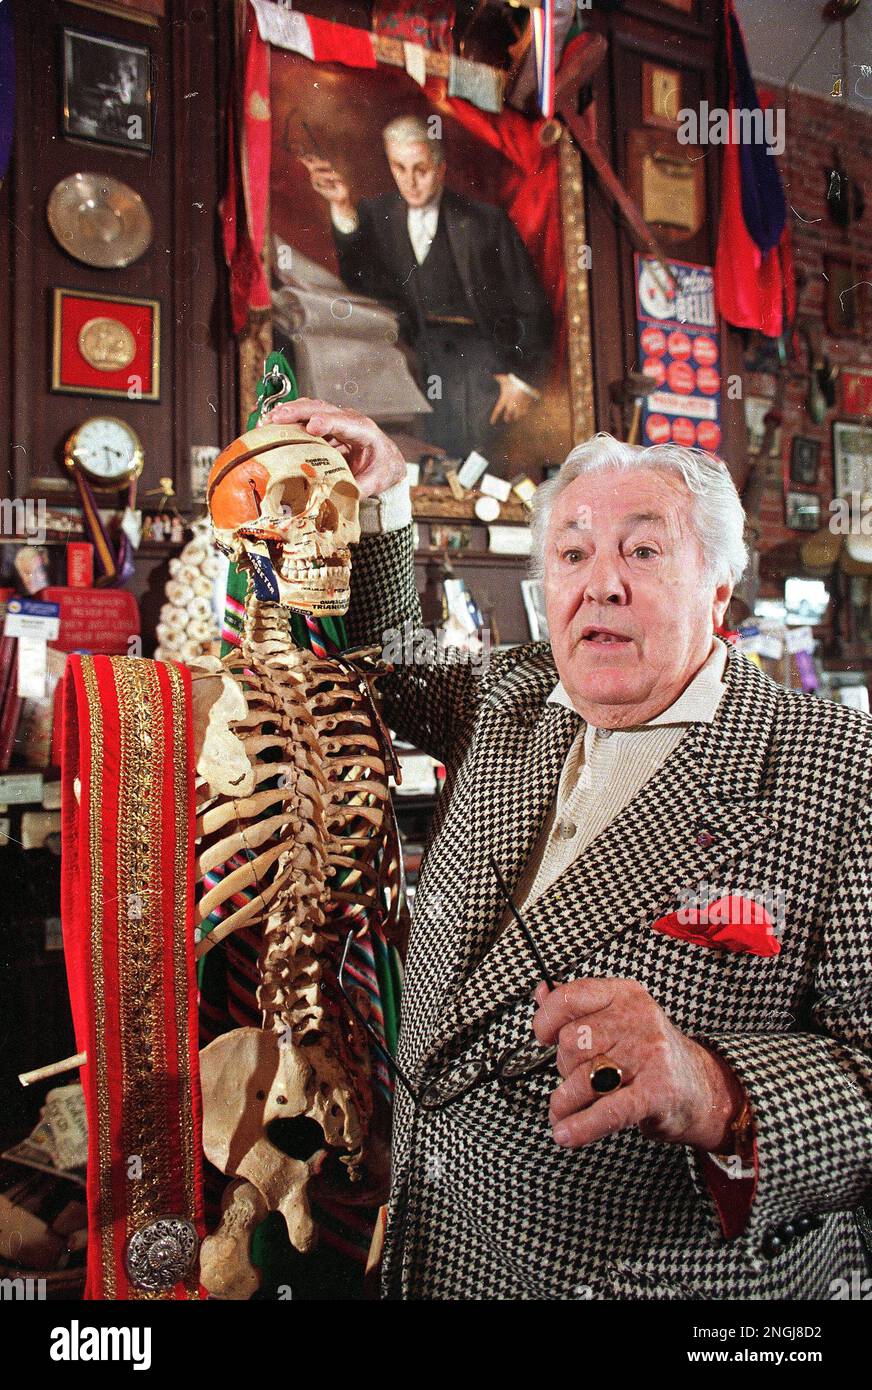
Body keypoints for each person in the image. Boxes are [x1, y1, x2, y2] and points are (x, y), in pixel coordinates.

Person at [266, 398, 872, 1301]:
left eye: (642, 549)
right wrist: (385, 495)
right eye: (573, 553)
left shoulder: (835, 767)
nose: (602, 584)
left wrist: (716, 1088)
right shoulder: (513, 693)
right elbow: (383, 658)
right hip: (440, 1251)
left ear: (719, 587)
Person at [301, 115, 552, 465]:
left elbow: (531, 305)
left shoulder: (486, 223)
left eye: (421, 169)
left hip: (477, 366)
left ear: (441, 168)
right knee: (408, 461)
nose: (411, 181)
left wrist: (523, 380)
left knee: (472, 465)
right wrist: (342, 206)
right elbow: (360, 283)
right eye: (400, 168)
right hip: (410, 358)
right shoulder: (377, 213)